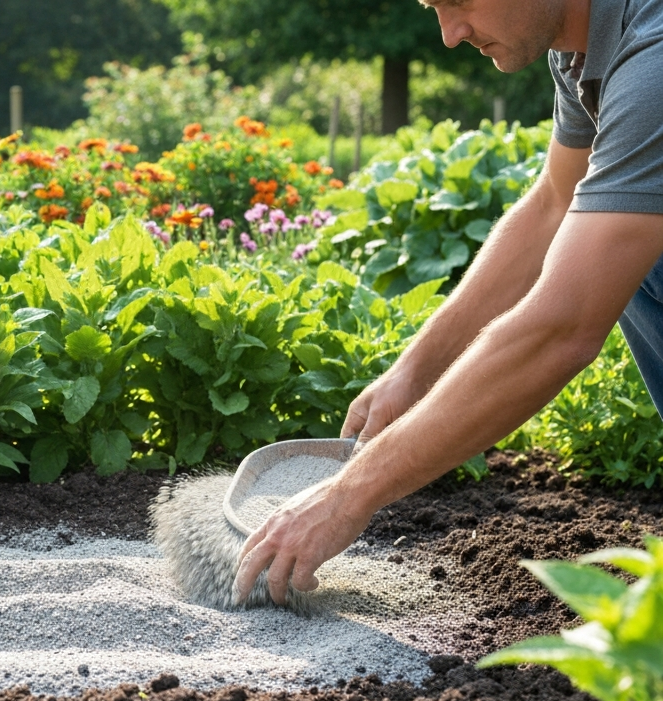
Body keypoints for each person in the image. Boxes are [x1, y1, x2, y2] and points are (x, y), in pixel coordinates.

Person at [235, 0, 663, 605]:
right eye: (436, 7)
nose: (450, 33)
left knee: (617, 249)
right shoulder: (582, 47)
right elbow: (552, 206)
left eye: (459, 1)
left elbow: (562, 325)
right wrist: (415, 369)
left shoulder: (655, 61)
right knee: (611, 226)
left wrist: (346, 496)